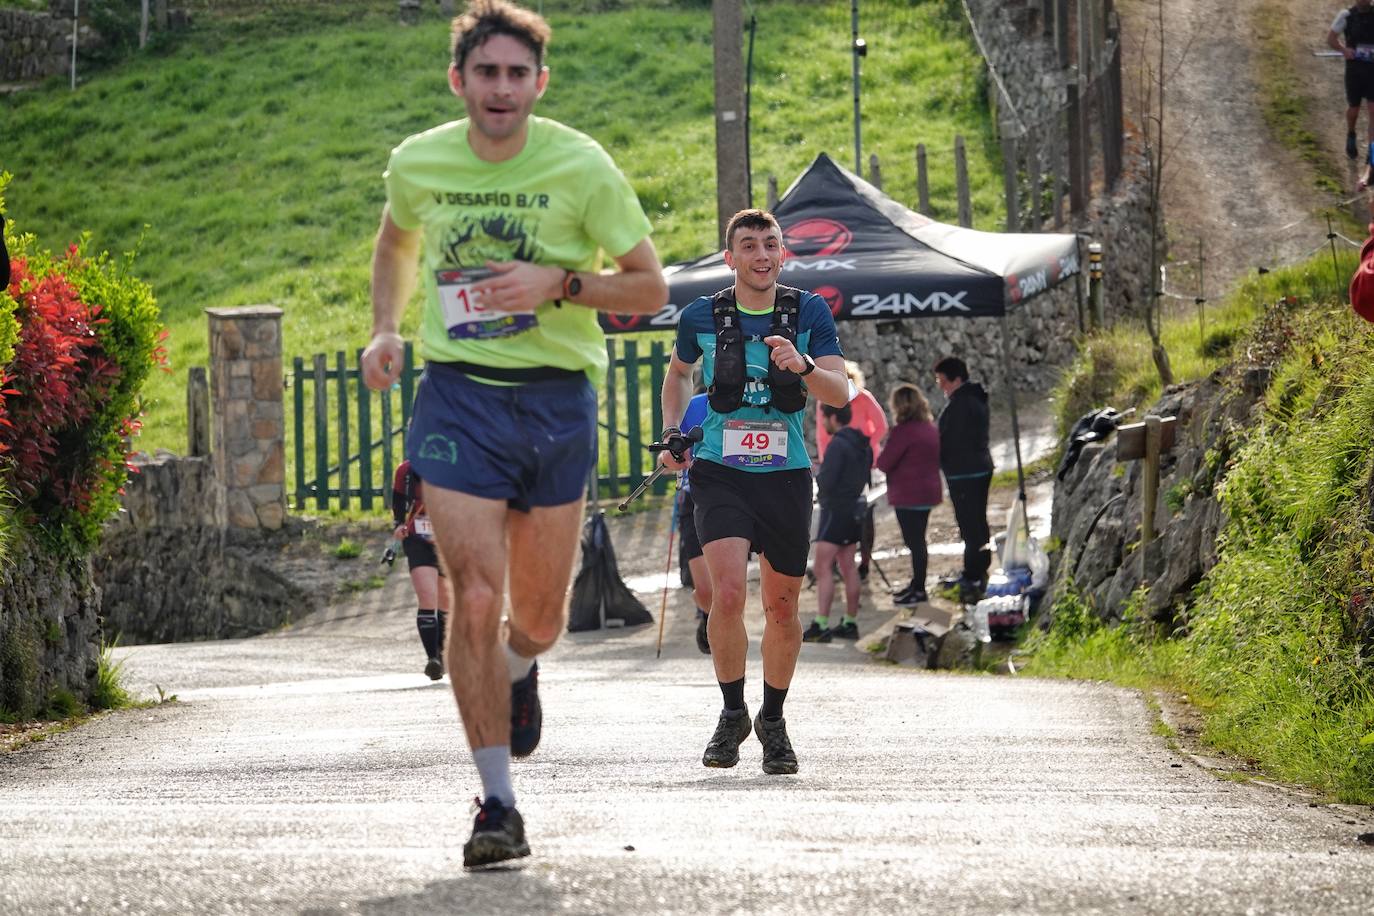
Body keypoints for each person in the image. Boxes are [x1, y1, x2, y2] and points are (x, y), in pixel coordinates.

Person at [361, 0, 667, 869]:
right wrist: (386, 328)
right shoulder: (420, 161)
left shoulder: (582, 166)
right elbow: (396, 241)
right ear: (459, 79)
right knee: (476, 596)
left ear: (539, 82)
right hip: (457, 396)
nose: (501, 88)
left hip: (555, 398)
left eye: (517, 73)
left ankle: (523, 671)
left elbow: (648, 291)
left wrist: (558, 283)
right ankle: (497, 802)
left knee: (535, 618)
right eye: (485, 72)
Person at [659, 208, 849, 776]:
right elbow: (677, 375)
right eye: (749, 245)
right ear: (730, 257)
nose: (762, 254)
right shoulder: (701, 315)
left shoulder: (808, 311)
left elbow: (840, 393)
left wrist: (804, 364)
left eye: (771, 244)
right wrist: (673, 433)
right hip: (720, 469)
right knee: (727, 594)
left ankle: (773, 718)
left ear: (783, 253)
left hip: (786, 473)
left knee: (783, 606)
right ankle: (731, 711)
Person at [803, 403, 872, 643]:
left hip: (835, 511)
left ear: (833, 417)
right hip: (854, 508)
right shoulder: (862, 444)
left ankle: (821, 623)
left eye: (823, 418)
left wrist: (818, 474)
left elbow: (828, 481)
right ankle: (850, 622)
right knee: (848, 565)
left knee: (822, 568)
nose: (822, 422)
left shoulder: (837, 445)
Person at [814, 361, 886, 580]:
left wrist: (864, 446)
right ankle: (842, 561)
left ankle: (863, 560)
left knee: (861, 513)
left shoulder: (862, 397)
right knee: (847, 512)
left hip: (861, 463)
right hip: (850, 461)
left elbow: (881, 426)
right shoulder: (824, 402)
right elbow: (821, 434)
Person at [875, 383, 942, 606]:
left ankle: (919, 589)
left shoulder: (903, 432)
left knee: (915, 543)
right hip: (928, 492)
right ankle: (917, 584)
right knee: (918, 541)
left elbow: (884, 463)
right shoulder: (929, 428)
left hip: (908, 495)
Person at [933, 356, 993, 598]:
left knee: (970, 525)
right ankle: (979, 568)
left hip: (965, 472)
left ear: (956, 379)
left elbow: (951, 441)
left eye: (942, 380)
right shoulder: (974, 398)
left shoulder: (960, 404)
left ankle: (973, 574)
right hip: (978, 468)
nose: (940, 386)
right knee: (977, 521)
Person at [392, 459, 451, 679]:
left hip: (448, 542)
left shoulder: (459, 465)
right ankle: (432, 659)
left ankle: (442, 654)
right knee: (428, 597)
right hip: (418, 541)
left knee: (445, 602)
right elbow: (398, 501)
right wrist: (398, 524)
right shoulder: (406, 471)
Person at [676, 387, 713, 655]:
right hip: (693, 498)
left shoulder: (752, 402)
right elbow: (667, 456)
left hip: (734, 498)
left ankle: (722, 623)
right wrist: (675, 457)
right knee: (706, 591)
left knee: (727, 589)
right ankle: (708, 614)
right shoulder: (691, 406)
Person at [1329, 0, 1374, 159]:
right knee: (1354, 109)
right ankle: (1351, 134)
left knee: (1372, 110)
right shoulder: (1346, 15)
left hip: (1372, 71)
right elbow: (1331, 39)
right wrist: (1344, 50)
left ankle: (1372, 152)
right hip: (1354, 71)